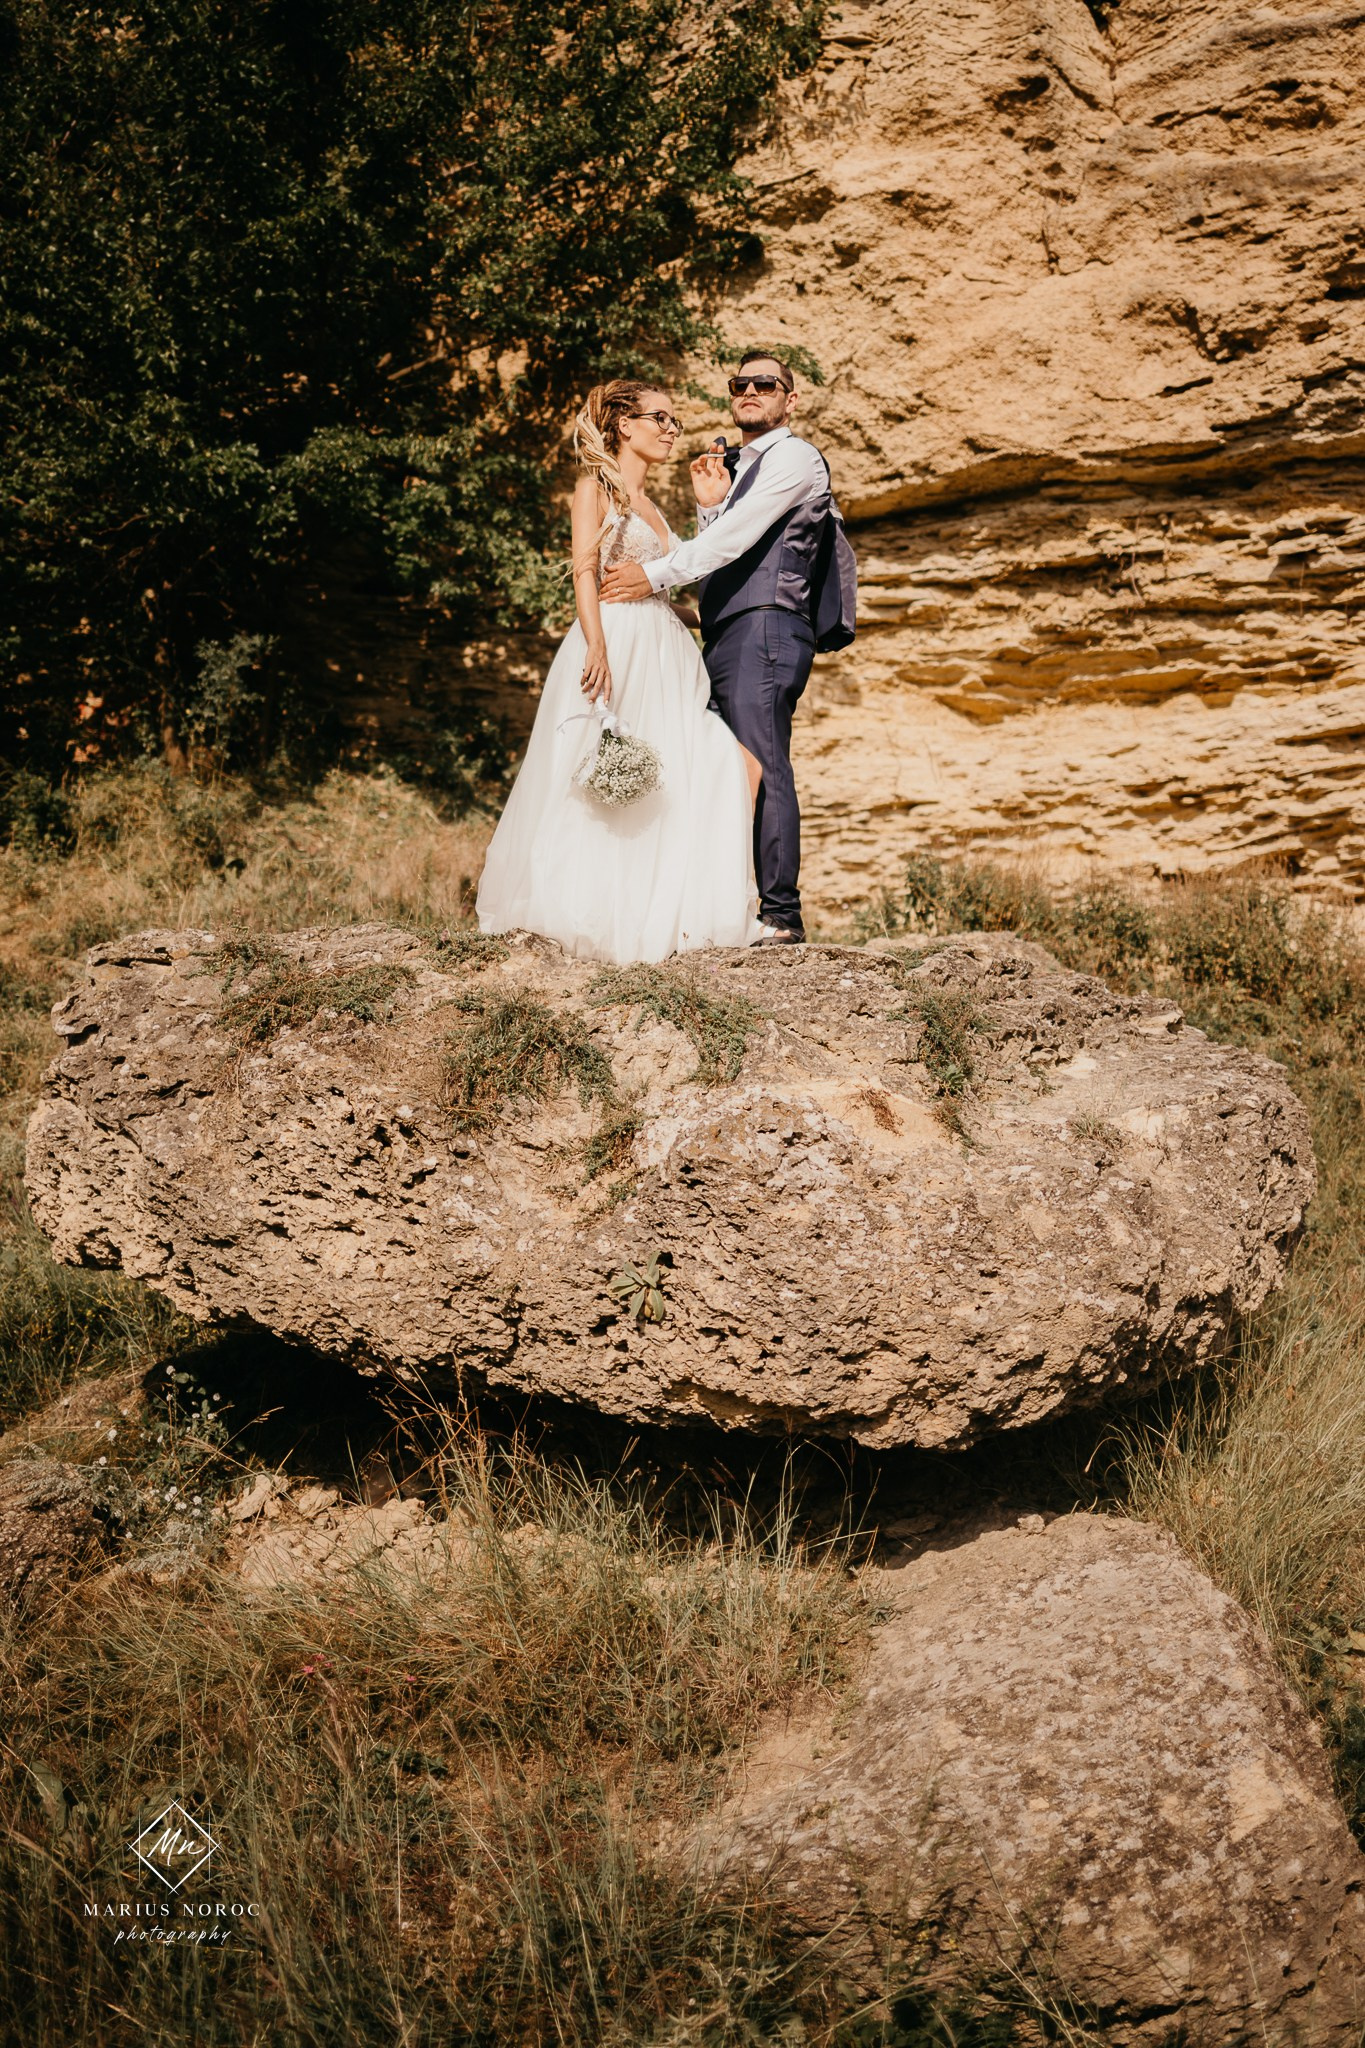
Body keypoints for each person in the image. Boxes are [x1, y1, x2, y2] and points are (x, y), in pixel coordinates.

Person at [475, 380, 764, 965]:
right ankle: (595, 921)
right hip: (618, 646)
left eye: (675, 421)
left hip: (667, 655)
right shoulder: (593, 489)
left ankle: (678, 915)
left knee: (722, 767)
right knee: (604, 786)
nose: (672, 429)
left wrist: (720, 616)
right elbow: (585, 571)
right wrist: (597, 645)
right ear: (623, 425)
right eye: (660, 418)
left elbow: (660, 589)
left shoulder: (654, 507)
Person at [600, 350, 831, 946]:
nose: (750, 390)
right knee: (717, 766)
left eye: (766, 383)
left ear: (790, 399)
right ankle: (718, 907)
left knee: (760, 760)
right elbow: (725, 549)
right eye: (740, 383)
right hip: (725, 632)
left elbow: (735, 539)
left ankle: (781, 916)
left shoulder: (795, 458)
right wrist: (709, 507)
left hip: (767, 629)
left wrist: (652, 577)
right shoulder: (739, 469)